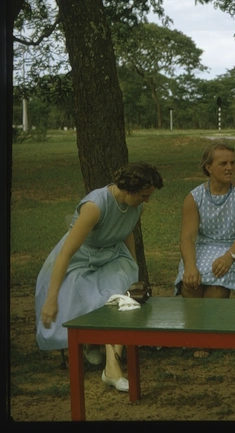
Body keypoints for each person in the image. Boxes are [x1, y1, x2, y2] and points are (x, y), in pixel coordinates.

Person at [36, 162, 164, 392]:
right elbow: (65, 253)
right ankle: (93, 346)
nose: (147, 201)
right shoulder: (95, 206)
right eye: (144, 196)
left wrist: (133, 267)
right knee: (88, 298)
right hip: (79, 259)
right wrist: (50, 298)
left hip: (113, 256)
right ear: (129, 189)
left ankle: (112, 368)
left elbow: (126, 233)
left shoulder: (137, 206)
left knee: (120, 300)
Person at [175, 143, 235, 358]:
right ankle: (195, 331)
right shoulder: (194, 197)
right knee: (192, 279)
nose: (230, 167)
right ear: (208, 167)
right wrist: (190, 266)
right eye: (223, 163)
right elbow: (187, 236)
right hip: (204, 246)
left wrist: (229, 256)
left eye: (232, 162)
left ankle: (207, 337)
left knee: (216, 278)